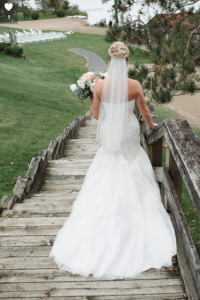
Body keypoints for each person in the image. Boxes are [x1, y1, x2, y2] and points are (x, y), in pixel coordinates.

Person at [49, 42, 177, 279]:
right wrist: (151, 125)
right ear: (126, 62)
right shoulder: (135, 85)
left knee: (107, 166)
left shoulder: (99, 86)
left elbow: (96, 115)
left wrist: (94, 95)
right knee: (133, 163)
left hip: (110, 133)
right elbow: (145, 112)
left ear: (109, 61)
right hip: (128, 131)